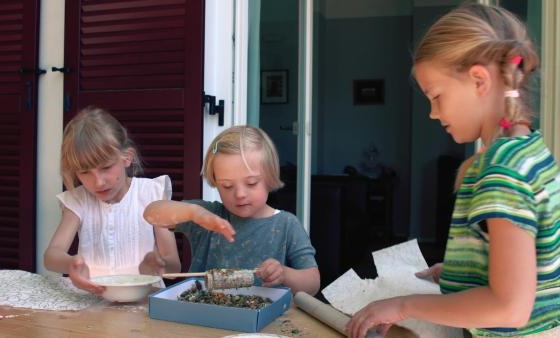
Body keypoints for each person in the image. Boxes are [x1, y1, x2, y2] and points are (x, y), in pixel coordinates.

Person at [346, 3, 560, 338]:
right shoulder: (529, 151)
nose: (433, 113)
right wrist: (461, 272)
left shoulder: (502, 171)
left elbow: (510, 308)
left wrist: (403, 304)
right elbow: (531, 265)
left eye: (436, 96)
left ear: (478, 80)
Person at [144, 125, 320, 295]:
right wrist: (194, 213)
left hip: (263, 322)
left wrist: (284, 273)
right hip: (202, 316)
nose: (240, 194)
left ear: (270, 176)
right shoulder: (209, 216)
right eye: (227, 186)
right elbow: (152, 212)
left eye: (251, 183)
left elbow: (312, 284)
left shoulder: (286, 224)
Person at [44, 106, 180, 294]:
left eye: (106, 167)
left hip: (143, 301)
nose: (98, 182)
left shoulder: (152, 194)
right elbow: (51, 255)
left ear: (126, 157)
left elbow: (175, 266)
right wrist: (71, 264)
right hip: (93, 300)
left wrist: (159, 265)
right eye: (85, 172)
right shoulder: (78, 200)